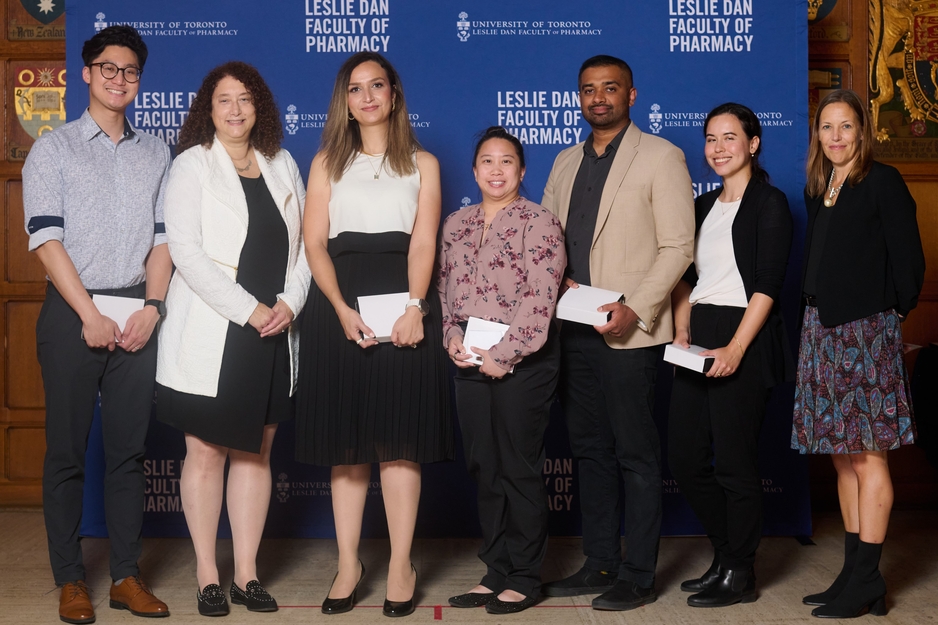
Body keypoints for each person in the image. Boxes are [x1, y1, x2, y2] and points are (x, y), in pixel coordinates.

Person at [295, 51, 453, 617]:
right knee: (348, 446)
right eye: (355, 88)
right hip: (340, 305)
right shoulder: (325, 164)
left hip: (402, 303)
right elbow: (314, 242)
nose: (366, 97)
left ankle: (403, 563)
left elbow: (423, 240)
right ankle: (347, 563)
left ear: (393, 94)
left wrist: (415, 307)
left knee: (399, 443)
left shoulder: (424, 163)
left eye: (376, 86)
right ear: (344, 100)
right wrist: (339, 308)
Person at [22, 25, 171, 623]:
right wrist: (88, 315)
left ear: (139, 80)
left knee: (129, 453)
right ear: (86, 73)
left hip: (135, 311)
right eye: (108, 68)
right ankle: (70, 579)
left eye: (130, 71)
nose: (119, 79)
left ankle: (127, 577)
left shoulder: (158, 151)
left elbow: (164, 240)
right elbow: (45, 238)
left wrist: (152, 309)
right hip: (72, 311)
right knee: (66, 451)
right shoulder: (53, 148)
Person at [154, 61, 310, 616]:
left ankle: (246, 573)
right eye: (224, 100)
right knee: (204, 451)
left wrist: (290, 303)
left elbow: (307, 246)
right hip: (217, 328)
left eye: (245, 99)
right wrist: (249, 310)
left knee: (257, 452)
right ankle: (207, 573)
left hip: (274, 329)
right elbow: (187, 253)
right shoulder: (192, 166)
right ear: (208, 109)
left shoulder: (283, 162)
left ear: (259, 106)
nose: (236, 109)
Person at [540, 54, 695, 611]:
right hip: (572, 328)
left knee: (635, 452)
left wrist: (638, 306)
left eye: (610, 88)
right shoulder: (562, 162)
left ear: (632, 95)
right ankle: (600, 560)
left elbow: (679, 245)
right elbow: (545, 242)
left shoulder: (661, 156)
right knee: (589, 450)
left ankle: (638, 573)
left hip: (628, 331)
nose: (598, 97)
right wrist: (556, 282)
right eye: (588, 90)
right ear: (578, 98)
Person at [792, 89, 924, 619]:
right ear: (817, 136)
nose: (837, 137)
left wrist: (887, 321)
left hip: (866, 334)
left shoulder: (883, 181)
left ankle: (868, 579)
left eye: (846, 127)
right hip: (821, 330)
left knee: (870, 457)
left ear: (862, 132)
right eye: (827, 128)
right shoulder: (820, 186)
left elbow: (909, 263)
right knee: (844, 460)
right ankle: (852, 574)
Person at [668, 103, 794, 608]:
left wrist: (736, 347)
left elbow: (767, 285)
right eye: (710, 139)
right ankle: (725, 555)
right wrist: (681, 328)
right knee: (685, 457)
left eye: (729, 137)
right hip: (698, 332)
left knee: (735, 464)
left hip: (744, 332)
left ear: (753, 143)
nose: (718, 148)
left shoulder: (771, 203)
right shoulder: (700, 207)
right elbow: (684, 274)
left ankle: (740, 572)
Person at [439, 127, 566, 614]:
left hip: (524, 360)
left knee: (517, 464)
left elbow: (541, 298)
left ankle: (526, 576)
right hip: (470, 354)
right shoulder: (456, 223)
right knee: (484, 466)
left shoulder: (540, 222)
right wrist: (451, 338)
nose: (496, 170)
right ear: (474, 171)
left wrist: (505, 354)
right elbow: (445, 289)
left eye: (506, 161)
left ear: (522, 170)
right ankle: (494, 570)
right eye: (487, 162)